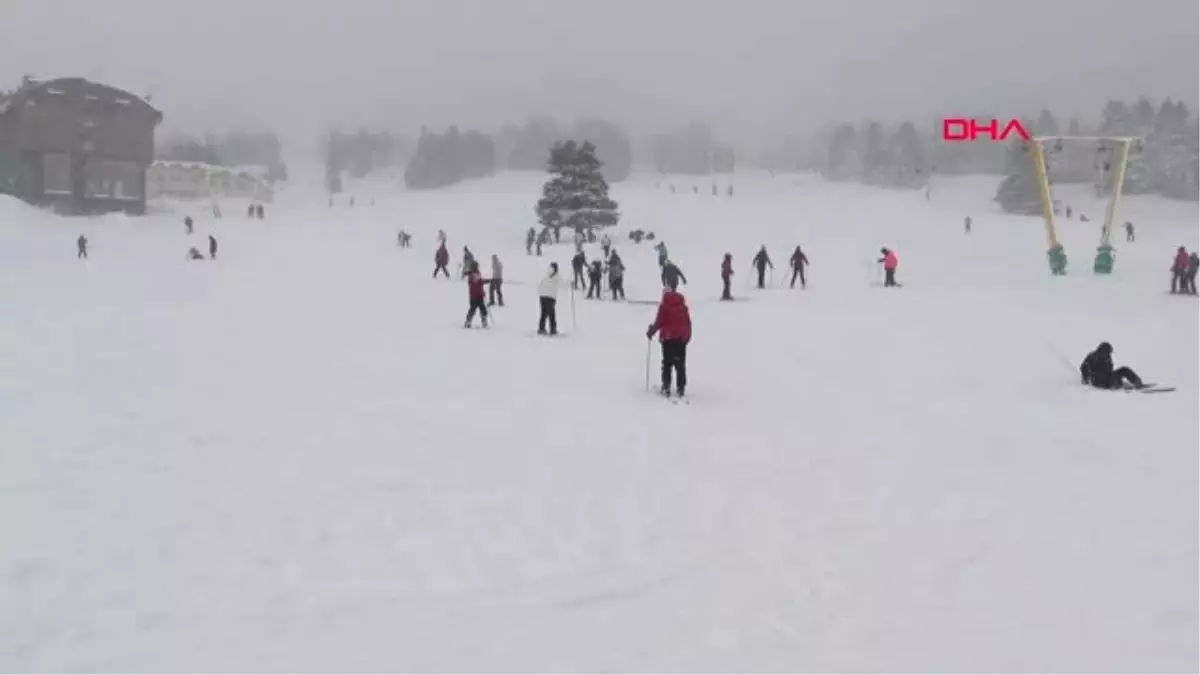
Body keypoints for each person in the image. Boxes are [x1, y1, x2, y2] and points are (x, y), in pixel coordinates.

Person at [646, 287, 692, 398]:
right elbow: (688, 323)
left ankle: (666, 386)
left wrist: (651, 332)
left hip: (668, 338)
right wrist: (687, 337)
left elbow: (659, 322)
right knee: (680, 364)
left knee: (667, 363)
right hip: (681, 339)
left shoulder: (664, 307)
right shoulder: (683, 307)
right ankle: (681, 388)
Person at [1080, 342, 1145, 390]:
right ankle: (1118, 385)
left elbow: (1109, 370)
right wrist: (1086, 380)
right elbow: (1083, 367)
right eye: (1109, 352)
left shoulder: (1107, 357)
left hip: (1108, 378)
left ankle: (1137, 383)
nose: (1109, 354)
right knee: (1107, 376)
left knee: (1124, 369)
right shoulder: (1093, 357)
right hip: (1099, 382)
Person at [537, 262, 566, 335]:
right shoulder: (557, 275)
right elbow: (563, 285)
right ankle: (553, 329)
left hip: (542, 296)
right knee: (552, 314)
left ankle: (541, 328)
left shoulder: (545, 273)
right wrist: (571, 283)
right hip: (550, 297)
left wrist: (541, 293)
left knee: (543, 313)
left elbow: (539, 283)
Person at [464, 263, 489, 328]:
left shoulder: (477, 273)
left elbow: (480, 282)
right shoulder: (471, 275)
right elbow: (477, 282)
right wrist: (485, 281)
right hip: (474, 295)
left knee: (482, 308)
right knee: (473, 309)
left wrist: (482, 291)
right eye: (475, 266)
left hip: (479, 295)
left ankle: (484, 321)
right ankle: (468, 321)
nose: (477, 267)